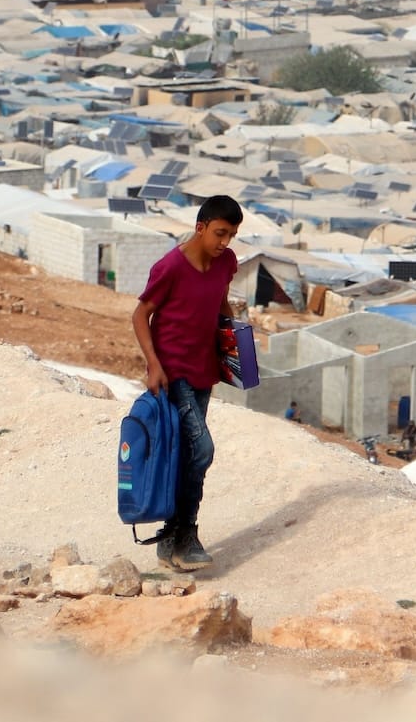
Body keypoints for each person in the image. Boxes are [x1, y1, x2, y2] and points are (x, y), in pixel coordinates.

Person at [131, 194, 241, 572]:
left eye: (231, 236)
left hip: (204, 372)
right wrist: (153, 365)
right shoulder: (171, 267)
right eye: (220, 233)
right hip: (173, 373)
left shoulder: (226, 262)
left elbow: (221, 302)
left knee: (186, 457)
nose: (225, 242)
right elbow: (140, 314)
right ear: (201, 227)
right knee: (202, 450)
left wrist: (236, 344)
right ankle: (186, 533)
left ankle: (172, 543)